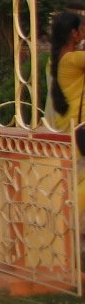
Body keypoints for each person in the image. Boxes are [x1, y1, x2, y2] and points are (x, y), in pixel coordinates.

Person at [47, 11, 85, 212]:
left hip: (69, 124)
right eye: (82, 29)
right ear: (74, 33)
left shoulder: (57, 59)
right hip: (81, 126)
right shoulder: (74, 59)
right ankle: (70, 215)